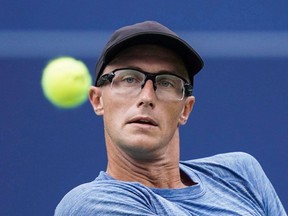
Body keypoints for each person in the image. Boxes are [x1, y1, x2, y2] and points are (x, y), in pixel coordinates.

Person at [55, 21, 286, 215]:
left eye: (166, 82)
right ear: (97, 100)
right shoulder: (89, 204)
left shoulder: (240, 173)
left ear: (186, 109)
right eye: (128, 79)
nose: (147, 97)